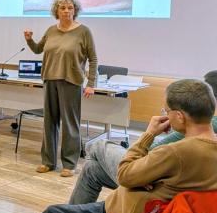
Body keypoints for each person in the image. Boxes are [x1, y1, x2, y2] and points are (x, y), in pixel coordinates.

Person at [0, 79, 217, 213]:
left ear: (179, 116)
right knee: (91, 172)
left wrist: (148, 134)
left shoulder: (176, 152)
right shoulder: (208, 146)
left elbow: (125, 175)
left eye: (166, 111)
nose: (164, 114)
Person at [68, 70, 217, 205]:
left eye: (166, 111)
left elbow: (152, 153)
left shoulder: (191, 134)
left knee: (97, 146)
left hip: (153, 193)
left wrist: (149, 134)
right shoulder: (207, 129)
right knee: (92, 169)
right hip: (171, 188)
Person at [24, 0, 98, 177]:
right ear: (56, 11)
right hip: (50, 79)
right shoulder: (51, 30)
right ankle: (48, 161)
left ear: (75, 10)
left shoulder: (84, 31)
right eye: (62, 8)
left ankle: (69, 164)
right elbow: (37, 50)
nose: (66, 11)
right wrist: (29, 40)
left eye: (70, 8)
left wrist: (91, 83)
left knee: (70, 124)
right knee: (50, 122)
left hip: (71, 81)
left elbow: (93, 58)